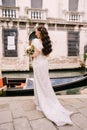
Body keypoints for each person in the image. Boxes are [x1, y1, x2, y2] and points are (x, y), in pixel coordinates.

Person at [29, 25, 73, 126]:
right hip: (44, 64)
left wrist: (28, 53)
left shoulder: (35, 41)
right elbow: (47, 55)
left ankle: (41, 103)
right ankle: (47, 100)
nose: (35, 33)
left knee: (39, 84)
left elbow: (35, 54)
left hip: (38, 64)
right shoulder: (47, 42)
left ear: (40, 32)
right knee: (45, 83)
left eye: (36, 31)